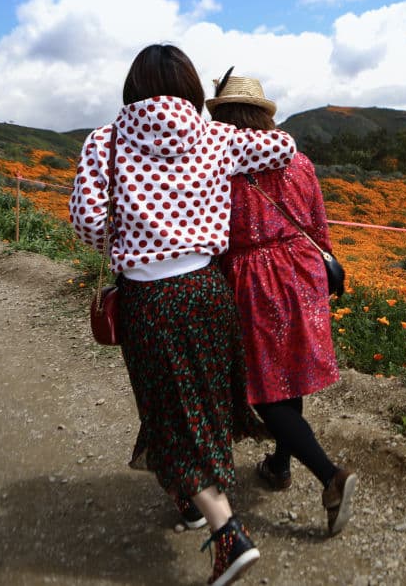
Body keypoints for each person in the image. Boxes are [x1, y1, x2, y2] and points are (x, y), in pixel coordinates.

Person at [69, 44, 296, 586]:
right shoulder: (216, 136)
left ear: (132, 88)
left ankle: (226, 532)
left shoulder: (108, 140)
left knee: (169, 409)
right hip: (208, 290)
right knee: (203, 400)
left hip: (151, 299)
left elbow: (87, 225)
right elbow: (283, 147)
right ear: (194, 88)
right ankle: (191, 501)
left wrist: (134, 230)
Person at [207, 71, 358, 536]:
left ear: (224, 117)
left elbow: (214, 239)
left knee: (262, 387)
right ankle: (279, 464)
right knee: (289, 371)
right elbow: (318, 226)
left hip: (254, 277)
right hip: (303, 268)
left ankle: (330, 476)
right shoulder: (300, 162)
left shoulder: (220, 168)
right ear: (262, 114)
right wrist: (322, 268)